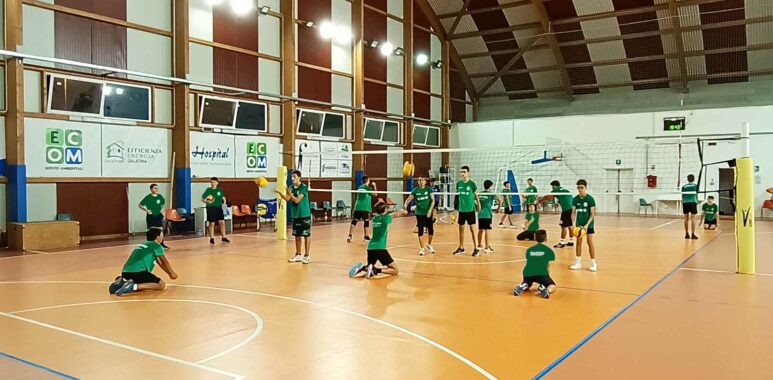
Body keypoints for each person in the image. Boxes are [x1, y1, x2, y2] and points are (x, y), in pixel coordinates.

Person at [110, 229, 178, 296]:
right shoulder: (156, 246)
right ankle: (133, 286)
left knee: (145, 285)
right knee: (161, 285)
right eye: (162, 234)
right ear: (158, 237)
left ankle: (123, 281)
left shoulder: (143, 245)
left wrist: (169, 274)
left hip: (125, 272)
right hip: (138, 272)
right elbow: (165, 262)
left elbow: (160, 263)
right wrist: (172, 273)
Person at [349, 201, 406, 279]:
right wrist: (403, 210)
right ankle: (376, 270)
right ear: (385, 210)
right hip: (380, 248)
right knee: (395, 270)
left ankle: (364, 268)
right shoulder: (386, 218)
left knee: (370, 268)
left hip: (370, 248)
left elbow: (391, 214)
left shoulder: (374, 219)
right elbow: (396, 214)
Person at [276, 170, 312, 264]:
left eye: (294, 177)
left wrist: (290, 193)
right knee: (297, 235)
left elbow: (296, 200)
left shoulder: (303, 187)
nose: (292, 179)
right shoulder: (291, 187)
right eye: (291, 177)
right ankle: (298, 254)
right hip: (295, 215)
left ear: (299, 177)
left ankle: (307, 255)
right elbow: (288, 199)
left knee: (306, 235)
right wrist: (280, 193)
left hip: (304, 214)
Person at [512, 230, 556, 299]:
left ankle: (523, 285)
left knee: (528, 284)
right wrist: (546, 278)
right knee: (552, 285)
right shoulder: (549, 251)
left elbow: (530, 262)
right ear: (546, 239)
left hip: (527, 273)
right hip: (541, 273)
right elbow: (548, 266)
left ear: (535, 238)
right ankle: (546, 290)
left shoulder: (530, 250)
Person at [569, 179, 597, 272]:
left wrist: (586, 225)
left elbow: (592, 214)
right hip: (578, 225)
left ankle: (593, 262)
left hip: (588, 225)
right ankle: (578, 262)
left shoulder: (590, 199)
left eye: (582, 187)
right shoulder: (575, 199)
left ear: (585, 188)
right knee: (578, 242)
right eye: (578, 187)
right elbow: (573, 213)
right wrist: (572, 224)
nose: (580, 189)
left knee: (589, 242)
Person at [453, 166, 481, 257]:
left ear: (468, 172)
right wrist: (455, 210)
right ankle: (461, 247)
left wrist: (478, 204)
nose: (462, 173)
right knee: (461, 229)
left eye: (464, 172)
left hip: (470, 210)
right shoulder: (459, 184)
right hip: (462, 210)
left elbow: (476, 195)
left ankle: (476, 248)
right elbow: (458, 197)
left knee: (472, 229)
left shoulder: (472, 184)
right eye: (461, 172)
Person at [404, 177, 435, 256]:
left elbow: (433, 200)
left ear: (425, 181)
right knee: (420, 229)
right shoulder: (415, 190)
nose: (421, 182)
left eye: (422, 180)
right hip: (419, 213)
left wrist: (430, 211)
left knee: (430, 229)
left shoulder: (428, 189)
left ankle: (429, 245)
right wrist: (406, 204)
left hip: (428, 212)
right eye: (419, 180)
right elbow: (409, 199)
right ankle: (422, 248)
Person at [138, 183, 169, 249]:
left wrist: (162, 211)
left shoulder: (160, 196)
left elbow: (162, 204)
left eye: (157, 188)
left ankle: (161, 244)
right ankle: (149, 244)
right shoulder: (148, 197)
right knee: (151, 229)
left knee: (160, 229)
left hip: (158, 215)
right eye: (155, 188)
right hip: (151, 216)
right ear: (151, 189)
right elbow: (140, 205)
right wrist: (147, 210)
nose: (156, 189)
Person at [201, 177, 230, 245]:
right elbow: (202, 198)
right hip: (211, 208)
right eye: (211, 182)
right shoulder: (208, 190)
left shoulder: (220, 190)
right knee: (212, 223)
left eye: (214, 182)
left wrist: (224, 203)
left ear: (217, 183)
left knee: (222, 222)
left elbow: (223, 198)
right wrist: (206, 201)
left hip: (219, 208)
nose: (213, 184)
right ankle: (211, 238)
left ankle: (224, 237)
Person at [348, 176, 377, 242]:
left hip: (357, 207)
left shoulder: (359, 187)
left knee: (354, 221)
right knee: (366, 221)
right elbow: (375, 194)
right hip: (364, 207)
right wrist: (375, 186)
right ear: (367, 181)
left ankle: (350, 235)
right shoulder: (367, 188)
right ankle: (366, 237)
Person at [550, 180, 574, 248]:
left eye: (552, 186)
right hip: (571, 208)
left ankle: (562, 242)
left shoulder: (556, 190)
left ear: (554, 186)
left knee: (563, 226)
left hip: (566, 210)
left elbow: (548, 197)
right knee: (570, 225)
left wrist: (539, 201)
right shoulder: (565, 190)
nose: (552, 188)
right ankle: (571, 241)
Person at [477, 180, 496, 253]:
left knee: (480, 230)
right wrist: (498, 208)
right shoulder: (491, 194)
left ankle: (479, 245)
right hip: (487, 214)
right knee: (487, 230)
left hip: (480, 214)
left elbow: (475, 202)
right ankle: (487, 247)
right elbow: (500, 200)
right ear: (490, 186)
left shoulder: (479, 194)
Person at [681, 174, 699, 240]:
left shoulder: (684, 186)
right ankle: (693, 234)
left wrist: (683, 201)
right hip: (692, 202)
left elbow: (682, 196)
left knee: (686, 218)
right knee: (693, 218)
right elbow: (696, 194)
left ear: (687, 179)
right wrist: (697, 200)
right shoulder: (695, 186)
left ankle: (686, 234)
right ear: (693, 179)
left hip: (685, 202)